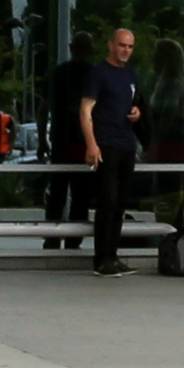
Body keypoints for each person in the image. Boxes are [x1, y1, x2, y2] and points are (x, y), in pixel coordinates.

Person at [84, 28, 143, 276]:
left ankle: (113, 254)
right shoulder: (98, 74)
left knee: (120, 203)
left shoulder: (129, 74)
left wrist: (137, 113)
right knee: (107, 201)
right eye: (121, 45)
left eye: (130, 46)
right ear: (110, 45)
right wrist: (91, 143)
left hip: (126, 143)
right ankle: (101, 258)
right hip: (106, 143)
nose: (125, 50)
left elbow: (134, 102)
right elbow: (85, 110)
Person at [44, 32, 98, 231]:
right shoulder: (94, 75)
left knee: (57, 191)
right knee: (81, 194)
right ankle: (74, 239)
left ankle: (51, 235)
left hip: (61, 139)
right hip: (83, 140)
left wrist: (43, 138)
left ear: (71, 48)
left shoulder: (57, 74)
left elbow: (44, 108)